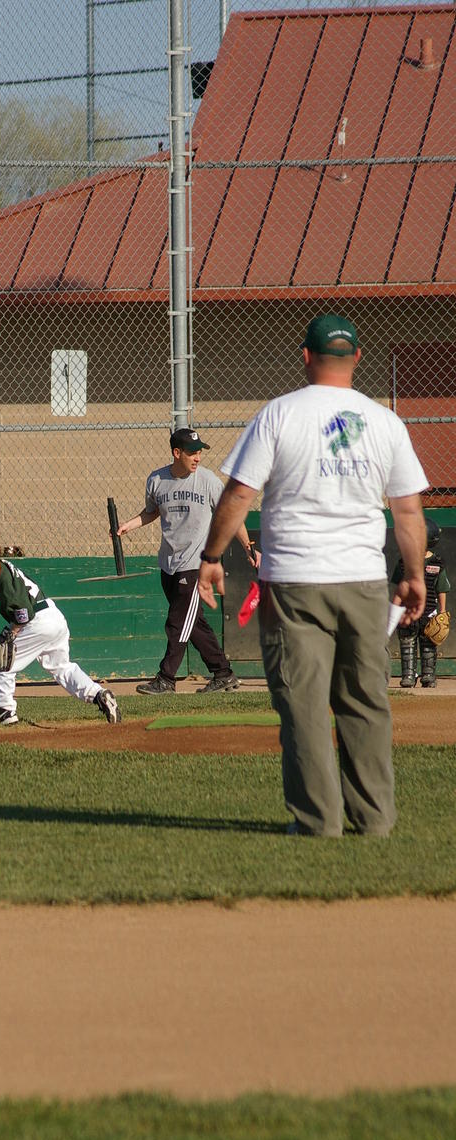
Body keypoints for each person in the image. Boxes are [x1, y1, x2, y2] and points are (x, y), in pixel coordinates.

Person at [197, 313, 428, 838]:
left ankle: (317, 821)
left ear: (305, 356)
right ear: (358, 357)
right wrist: (414, 575)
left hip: (295, 582)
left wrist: (212, 556)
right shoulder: (385, 422)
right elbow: (408, 510)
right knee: (365, 700)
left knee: (303, 704)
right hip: (364, 581)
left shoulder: (279, 414)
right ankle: (374, 820)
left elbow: (240, 492)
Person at [117, 427, 259, 695]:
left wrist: (249, 548)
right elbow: (151, 512)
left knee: (177, 622)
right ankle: (223, 673)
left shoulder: (208, 481)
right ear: (176, 452)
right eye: (192, 452)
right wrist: (129, 525)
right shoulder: (156, 480)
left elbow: (231, 514)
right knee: (193, 624)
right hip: (168, 564)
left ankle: (166, 679)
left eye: (199, 452)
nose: (197, 457)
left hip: (195, 564)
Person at [0, 532, 121, 726]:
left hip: (37, 621)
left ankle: (4, 711)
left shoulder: (7, 584)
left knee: (4, 659)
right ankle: (99, 695)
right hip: (53, 617)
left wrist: (11, 632)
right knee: (61, 667)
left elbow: (24, 614)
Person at [391, 515, 449, 689]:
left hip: (429, 612)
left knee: (428, 644)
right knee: (407, 642)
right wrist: (395, 610)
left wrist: (442, 612)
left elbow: (442, 589)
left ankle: (428, 676)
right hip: (407, 611)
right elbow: (399, 589)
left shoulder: (437, 564)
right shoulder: (404, 563)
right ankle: (408, 676)